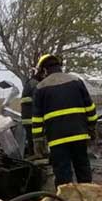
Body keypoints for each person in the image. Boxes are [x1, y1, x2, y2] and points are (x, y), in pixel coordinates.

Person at [32, 54, 97, 187]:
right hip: (79, 135)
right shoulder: (76, 81)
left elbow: (37, 119)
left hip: (57, 140)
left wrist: (38, 140)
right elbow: (90, 107)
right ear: (59, 66)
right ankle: (87, 198)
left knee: (63, 174)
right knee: (83, 168)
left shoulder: (40, 88)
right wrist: (92, 127)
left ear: (44, 70)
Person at [20, 69, 39, 157]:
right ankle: (37, 156)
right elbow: (38, 99)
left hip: (27, 118)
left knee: (30, 138)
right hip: (33, 118)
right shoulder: (35, 84)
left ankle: (32, 155)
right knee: (36, 138)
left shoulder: (29, 83)